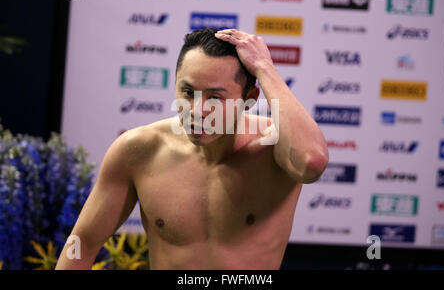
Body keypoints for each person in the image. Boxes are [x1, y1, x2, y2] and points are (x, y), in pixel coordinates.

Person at [55, 28, 329, 270]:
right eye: (188, 92)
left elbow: (312, 162)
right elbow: (84, 242)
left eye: (215, 98)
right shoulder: (139, 150)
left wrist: (264, 68)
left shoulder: (274, 147)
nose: (197, 111)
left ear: (249, 99)